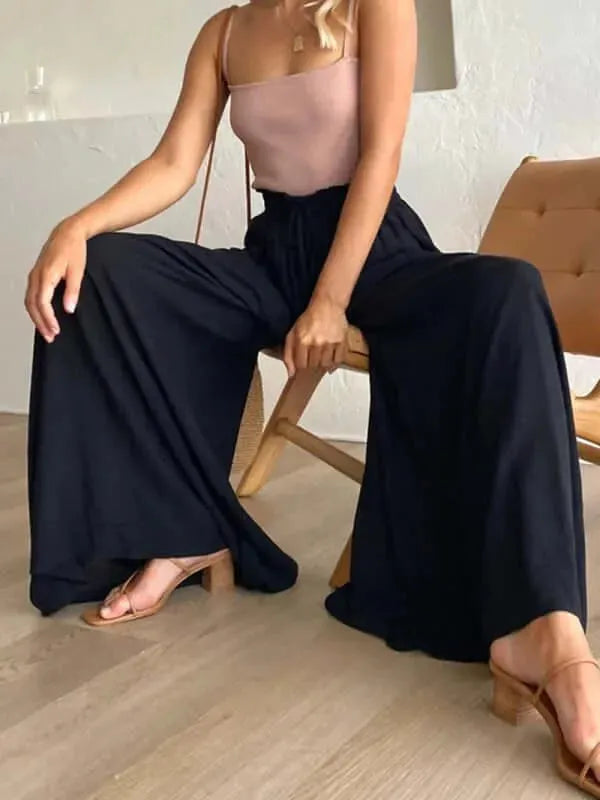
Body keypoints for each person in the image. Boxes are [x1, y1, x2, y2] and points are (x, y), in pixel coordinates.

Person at [24, 0, 600, 793]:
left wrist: (331, 299)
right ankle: (183, 530)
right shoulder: (226, 31)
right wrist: (74, 227)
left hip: (376, 247)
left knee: (506, 290)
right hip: (275, 255)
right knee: (103, 276)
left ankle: (546, 630)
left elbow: (380, 157)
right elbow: (174, 163)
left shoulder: (377, 6)